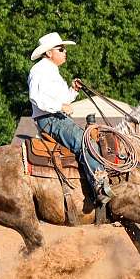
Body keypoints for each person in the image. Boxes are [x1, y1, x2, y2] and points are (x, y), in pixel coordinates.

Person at [28, 32, 114, 204]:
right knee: (85, 142)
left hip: (56, 117)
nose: (64, 52)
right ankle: (99, 185)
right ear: (48, 53)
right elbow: (36, 97)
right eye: (61, 49)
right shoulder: (39, 70)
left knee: (88, 139)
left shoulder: (52, 71)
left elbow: (61, 100)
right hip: (50, 119)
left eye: (64, 49)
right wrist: (60, 107)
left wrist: (73, 90)